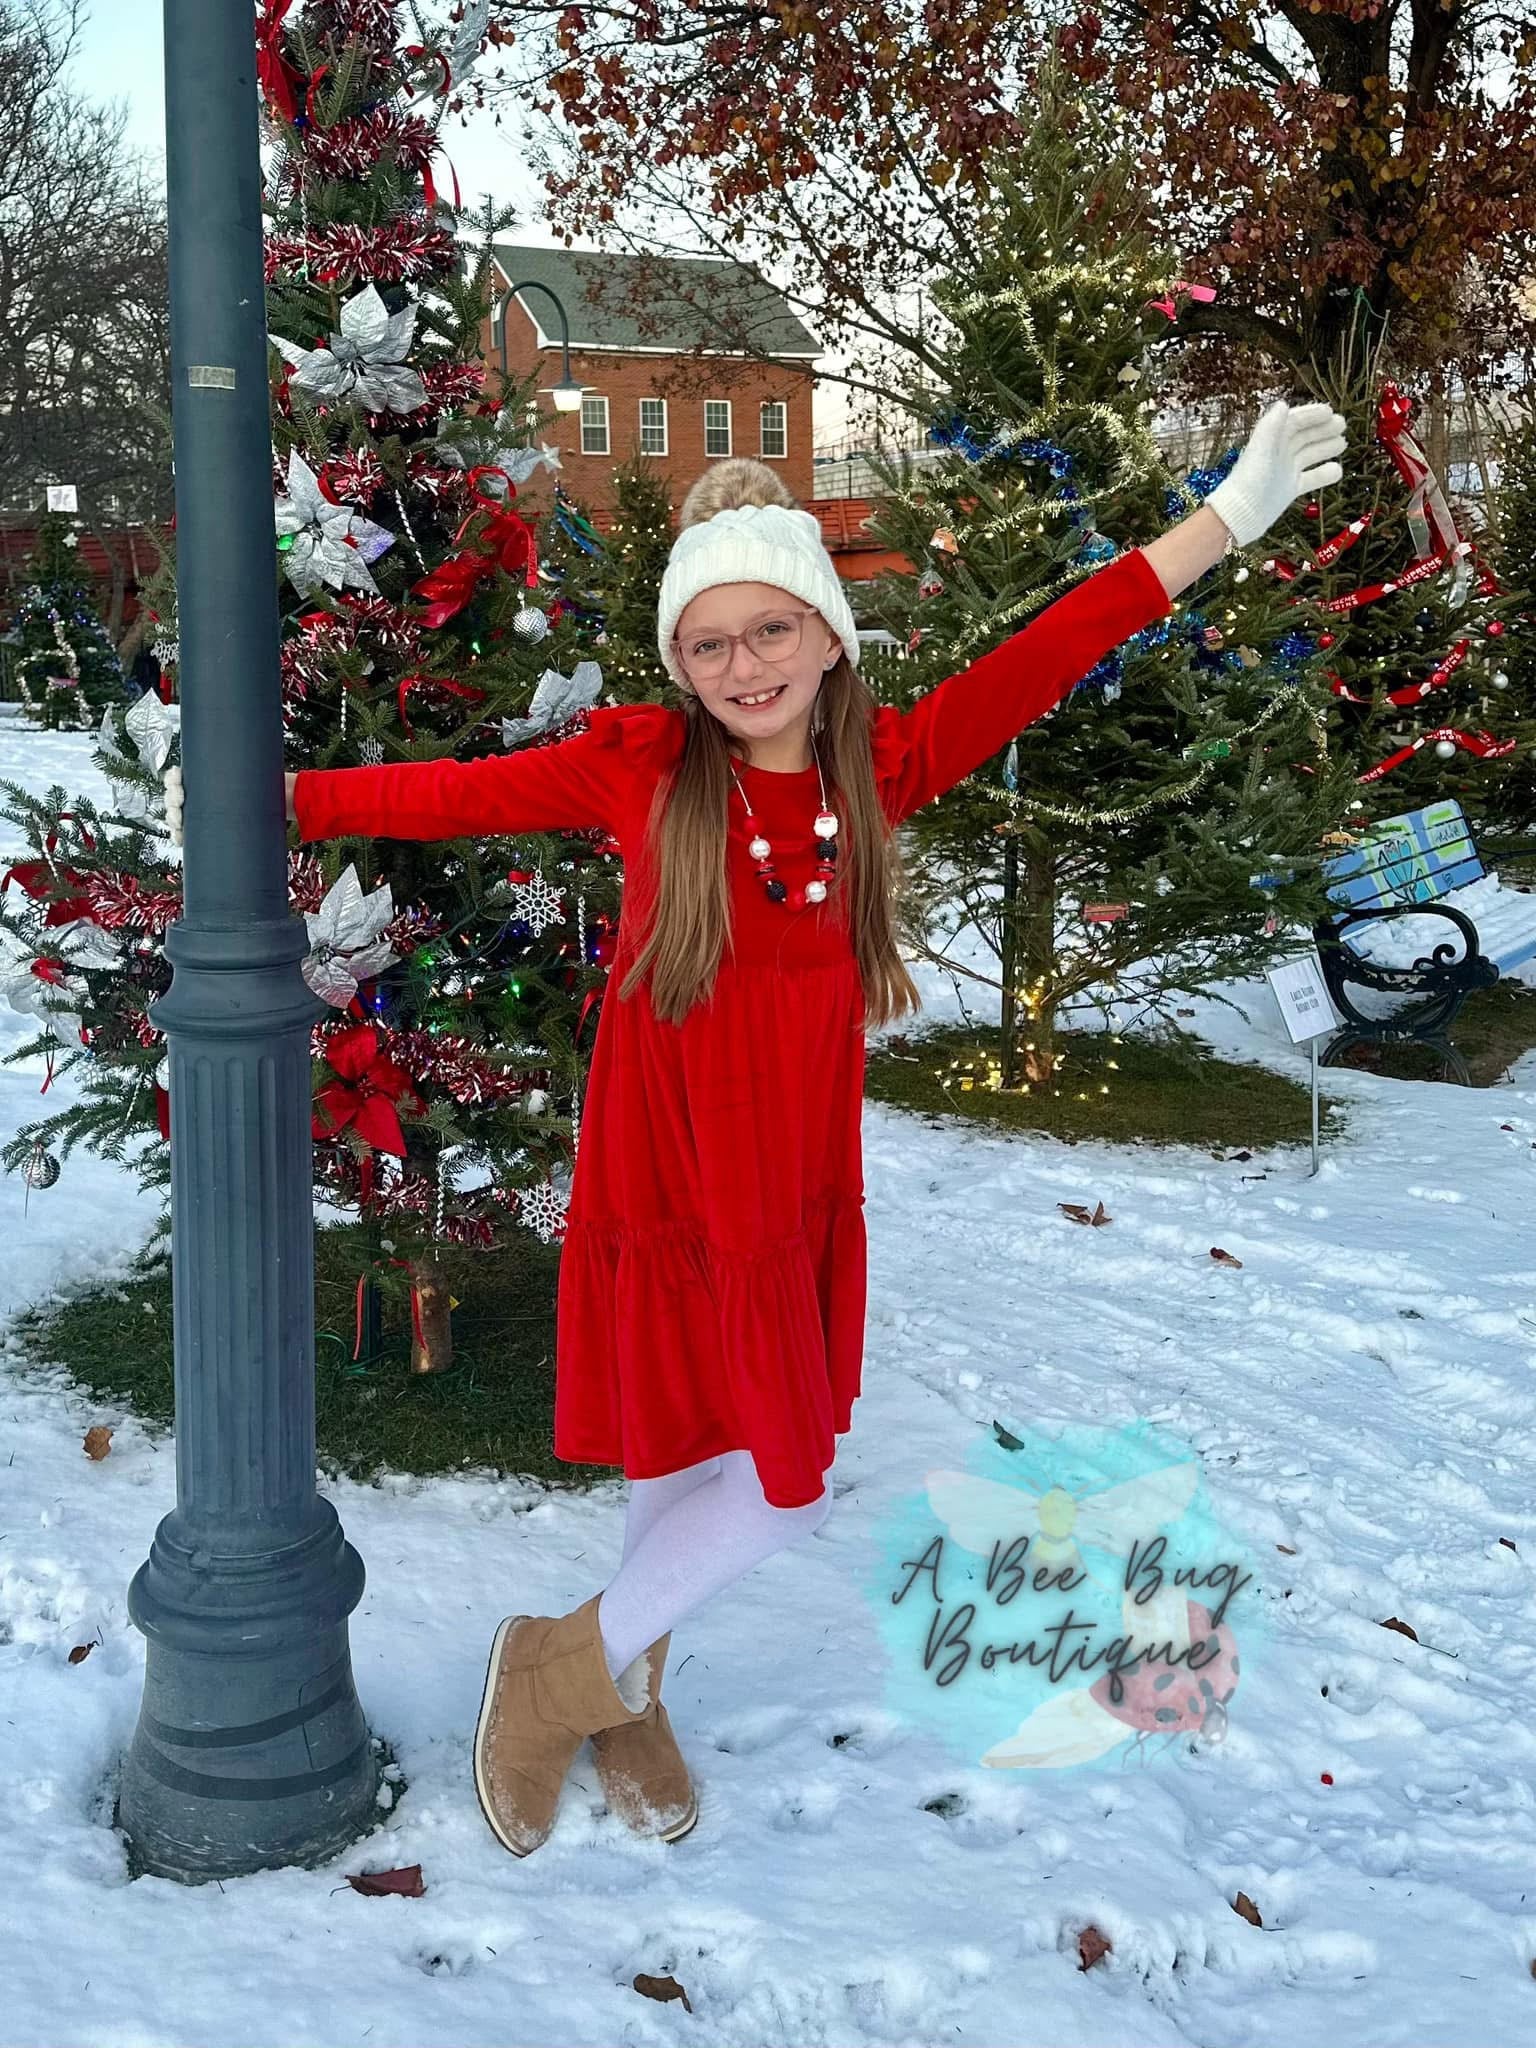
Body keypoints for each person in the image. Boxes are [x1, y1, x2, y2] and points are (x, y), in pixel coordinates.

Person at [164, 398, 1346, 1857]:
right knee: (676, 1445)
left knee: (779, 1479)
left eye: (770, 631)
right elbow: (451, 797)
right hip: (662, 1160)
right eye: (709, 643)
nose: (743, 667)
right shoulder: (646, 770)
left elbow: (1053, 649)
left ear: (827, 633)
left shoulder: (882, 767)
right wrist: (257, 800)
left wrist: (1222, 517)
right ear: (679, 660)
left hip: (788, 1176)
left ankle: (570, 1662)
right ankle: (618, 1677)